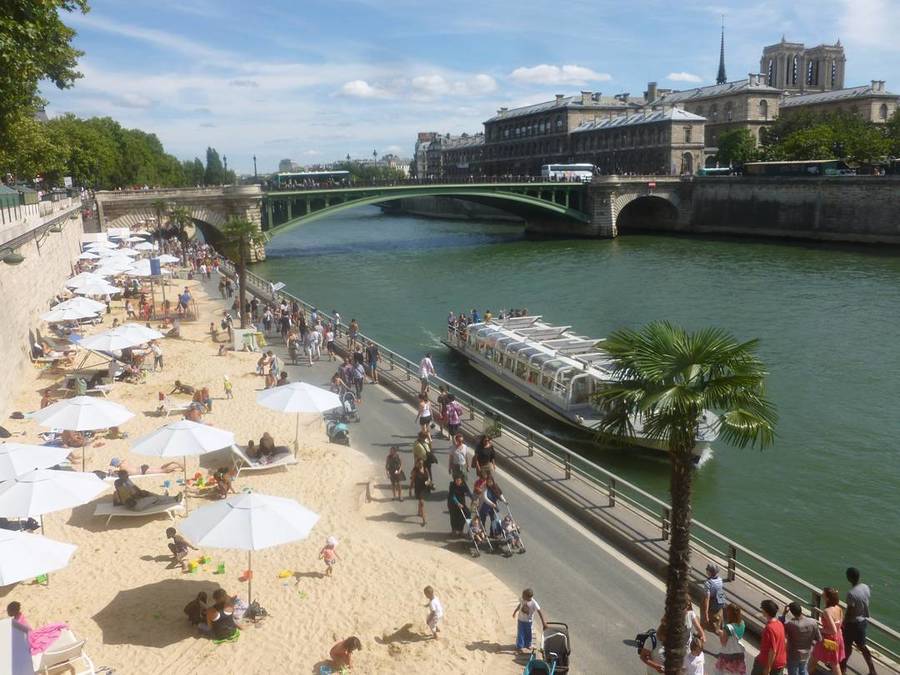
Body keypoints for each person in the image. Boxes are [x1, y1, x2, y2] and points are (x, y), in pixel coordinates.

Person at [842, 567, 877, 675]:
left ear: (849, 578)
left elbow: (850, 611)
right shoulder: (865, 587)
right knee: (862, 646)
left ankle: (842, 668)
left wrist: (843, 623)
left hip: (852, 624)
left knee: (846, 646)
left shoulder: (851, 593)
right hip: (863, 622)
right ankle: (872, 670)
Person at [808, 588, 845, 675]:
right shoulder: (839, 608)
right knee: (834, 663)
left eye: (824, 594)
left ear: (828, 598)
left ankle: (806, 673)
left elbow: (833, 630)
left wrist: (820, 630)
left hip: (827, 639)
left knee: (814, 658)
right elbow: (839, 626)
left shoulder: (827, 611)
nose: (822, 595)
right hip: (838, 638)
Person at [781, 602, 821, 675]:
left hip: (793, 654)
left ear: (792, 612)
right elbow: (819, 638)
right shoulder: (813, 622)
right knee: (803, 670)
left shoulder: (791, 624)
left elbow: (780, 628)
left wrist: (784, 614)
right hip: (806, 652)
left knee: (793, 672)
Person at [113, 470, 181, 511]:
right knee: (155, 499)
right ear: (121, 477)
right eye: (126, 476)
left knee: (150, 495)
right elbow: (131, 498)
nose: (127, 477)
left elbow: (135, 488)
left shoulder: (125, 481)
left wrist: (141, 492)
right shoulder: (120, 484)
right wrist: (140, 494)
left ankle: (169, 498)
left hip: (137, 501)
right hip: (135, 505)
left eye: (127, 476)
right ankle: (174, 499)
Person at [753, 599, 788, 675]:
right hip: (780, 662)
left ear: (765, 611)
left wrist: (768, 668)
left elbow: (772, 650)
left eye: (762, 608)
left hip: (766, 663)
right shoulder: (780, 624)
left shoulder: (769, 628)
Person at [714, 603, 747, 675]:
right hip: (738, 654)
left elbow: (723, 643)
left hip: (728, 655)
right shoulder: (742, 623)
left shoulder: (728, 627)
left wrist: (719, 632)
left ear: (730, 613)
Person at [513, 588, 547, 654]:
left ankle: (528, 645)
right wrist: (515, 612)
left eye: (523, 596)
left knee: (529, 633)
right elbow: (520, 605)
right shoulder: (522, 599)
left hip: (529, 622)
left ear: (528, 597)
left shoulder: (534, 603)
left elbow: (539, 612)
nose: (522, 597)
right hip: (520, 620)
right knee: (520, 633)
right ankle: (519, 647)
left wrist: (543, 623)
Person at [704, 563, 726, 631]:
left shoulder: (708, 583)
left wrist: (706, 613)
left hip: (712, 601)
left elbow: (707, 598)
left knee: (710, 615)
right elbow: (721, 591)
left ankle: (710, 626)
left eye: (707, 570)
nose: (706, 570)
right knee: (720, 611)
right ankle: (721, 625)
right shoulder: (720, 579)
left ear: (709, 572)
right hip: (719, 600)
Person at [409, 458, 429, 526]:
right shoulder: (415, 471)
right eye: (419, 463)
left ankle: (418, 512)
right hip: (418, 489)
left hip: (424, 488)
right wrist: (410, 490)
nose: (421, 464)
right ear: (417, 463)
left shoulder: (425, 469)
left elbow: (428, 478)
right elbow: (412, 481)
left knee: (420, 502)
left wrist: (430, 483)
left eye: (422, 463)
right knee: (422, 503)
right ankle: (424, 520)